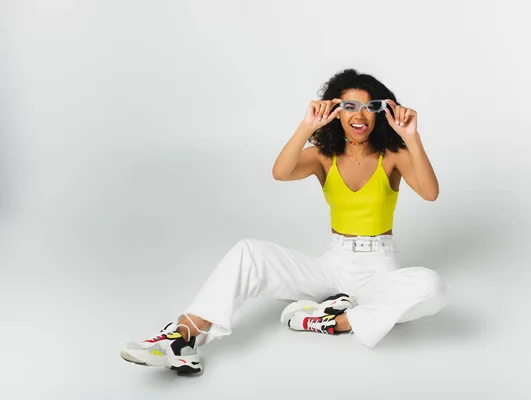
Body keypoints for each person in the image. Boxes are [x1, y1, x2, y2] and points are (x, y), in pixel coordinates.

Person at [120, 68, 447, 374]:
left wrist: (412, 137)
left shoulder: (394, 154)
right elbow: (281, 172)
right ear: (336, 111)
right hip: (334, 264)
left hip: (380, 267)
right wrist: (307, 127)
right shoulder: (323, 154)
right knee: (249, 252)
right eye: (349, 106)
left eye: (368, 107)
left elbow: (430, 193)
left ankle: (330, 320)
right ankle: (182, 337)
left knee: (430, 287)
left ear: (379, 112)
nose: (359, 116)